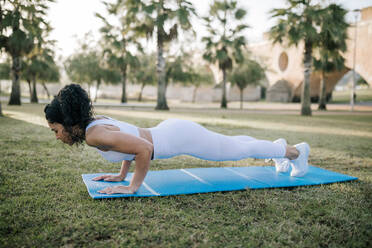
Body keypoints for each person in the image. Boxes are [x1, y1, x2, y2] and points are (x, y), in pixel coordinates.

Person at [44, 84, 310, 195]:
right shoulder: (95, 125)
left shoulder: (93, 135)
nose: (57, 136)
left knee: (235, 149)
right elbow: (126, 144)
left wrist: (132, 187)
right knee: (233, 143)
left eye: (56, 130)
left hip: (179, 138)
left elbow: (144, 149)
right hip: (172, 131)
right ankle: (279, 148)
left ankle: (295, 152)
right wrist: (119, 175)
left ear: (68, 123)